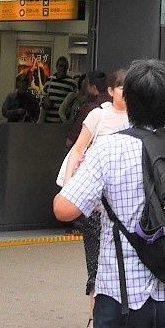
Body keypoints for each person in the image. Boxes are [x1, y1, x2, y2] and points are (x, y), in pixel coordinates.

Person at [53, 59, 165, 328]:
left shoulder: (109, 148)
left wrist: (79, 175)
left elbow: (64, 209)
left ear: (128, 99)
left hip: (124, 295)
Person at [60, 70, 127, 302]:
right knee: (96, 262)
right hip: (97, 203)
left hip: (124, 203)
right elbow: (77, 149)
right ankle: (93, 316)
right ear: (110, 91)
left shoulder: (138, 119)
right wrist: (69, 185)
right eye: (121, 87)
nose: (126, 93)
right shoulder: (98, 116)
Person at [42, 57, 82, 123]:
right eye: (60, 66)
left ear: (67, 68)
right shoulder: (49, 80)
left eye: (65, 66)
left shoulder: (72, 83)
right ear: (57, 66)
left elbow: (75, 101)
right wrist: (44, 100)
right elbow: (43, 95)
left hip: (63, 121)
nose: (62, 68)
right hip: (48, 120)